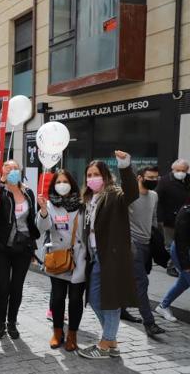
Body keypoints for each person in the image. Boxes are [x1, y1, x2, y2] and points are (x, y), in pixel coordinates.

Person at [77, 151, 139, 359]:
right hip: (94, 256)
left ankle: (104, 344)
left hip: (111, 256)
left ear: (104, 176)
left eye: (96, 174)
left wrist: (125, 166)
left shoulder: (114, 194)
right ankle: (111, 340)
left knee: (110, 299)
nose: (91, 178)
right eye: (88, 174)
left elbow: (132, 193)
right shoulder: (88, 198)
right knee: (95, 299)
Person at [0, 160, 41, 340]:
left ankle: (12, 322)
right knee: (3, 287)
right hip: (1, 247)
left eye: (15, 168)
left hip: (23, 248)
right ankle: (0, 322)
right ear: (2, 171)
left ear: (20, 171)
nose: (12, 170)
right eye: (8, 168)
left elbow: (31, 221)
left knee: (17, 287)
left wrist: (33, 246)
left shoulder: (28, 192)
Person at [36, 169, 87, 351]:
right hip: (57, 257)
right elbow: (42, 228)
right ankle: (57, 332)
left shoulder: (82, 204)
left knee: (75, 299)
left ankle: (72, 334)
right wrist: (42, 211)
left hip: (79, 258)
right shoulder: (49, 204)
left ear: (72, 183)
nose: (62, 185)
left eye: (65, 181)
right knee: (57, 297)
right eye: (58, 182)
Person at [121, 166, 166, 337]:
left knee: (130, 281)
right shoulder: (130, 196)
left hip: (147, 244)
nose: (154, 180)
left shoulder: (154, 195)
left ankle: (121, 309)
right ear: (140, 177)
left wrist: (156, 239)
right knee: (141, 282)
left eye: (156, 177)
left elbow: (153, 217)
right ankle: (149, 323)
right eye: (150, 177)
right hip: (133, 245)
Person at [156, 159, 190, 277]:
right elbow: (158, 200)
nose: (181, 172)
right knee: (170, 245)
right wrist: (160, 218)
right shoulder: (165, 181)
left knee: (184, 243)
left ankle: (182, 265)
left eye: (183, 170)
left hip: (186, 218)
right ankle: (171, 266)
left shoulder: (188, 179)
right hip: (169, 218)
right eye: (178, 170)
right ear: (173, 169)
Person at [156, 204, 190, 321]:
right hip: (182, 252)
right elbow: (181, 240)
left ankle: (163, 306)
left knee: (183, 282)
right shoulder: (186, 212)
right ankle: (163, 306)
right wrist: (185, 265)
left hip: (184, 251)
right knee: (186, 279)